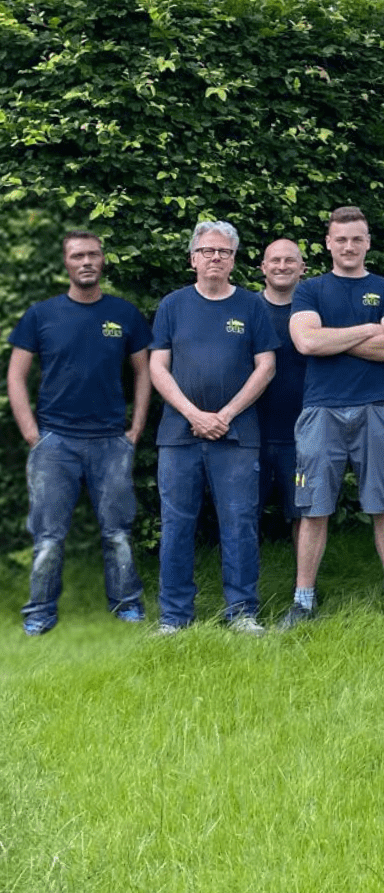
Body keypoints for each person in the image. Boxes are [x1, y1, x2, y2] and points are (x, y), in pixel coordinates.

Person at [7, 230, 152, 635]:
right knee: (48, 537)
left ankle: (126, 604)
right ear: (66, 263)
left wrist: (135, 428)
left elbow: (144, 373)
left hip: (111, 441)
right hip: (55, 442)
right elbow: (16, 376)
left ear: (102, 260)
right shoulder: (41, 315)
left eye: (92, 254)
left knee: (118, 534)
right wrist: (32, 434)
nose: (86, 262)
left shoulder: (124, 314)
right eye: (77, 256)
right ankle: (39, 612)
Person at [281, 206, 384, 628]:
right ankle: (303, 600)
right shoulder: (310, 290)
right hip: (321, 409)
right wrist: (368, 329)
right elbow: (305, 343)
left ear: (368, 243)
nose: (349, 246)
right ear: (328, 243)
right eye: (341, 239)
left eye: (357, 239)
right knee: (313, 507)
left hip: (378, 407)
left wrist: (331, 339)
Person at [149, 221, 278, 635]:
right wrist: (194, 414)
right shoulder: (172, 305)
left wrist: (225, 414)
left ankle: (242, 612)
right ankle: (174, 616)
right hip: (178, 434)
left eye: (224, 252)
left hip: (237, 435)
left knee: (239, 523)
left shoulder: (252, 306)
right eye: (207, 251)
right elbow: (157, 367)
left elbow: (266, 366)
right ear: (193, 259)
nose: (215, 258)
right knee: (176, 525)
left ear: (234, 260)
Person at [257, 239, 307, 542]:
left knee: (304, 513)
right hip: (251, 433)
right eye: (275, 260)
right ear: (263, 267)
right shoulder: (248, 309)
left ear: (302, 268)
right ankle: (243, 572)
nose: (282, 266)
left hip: (303, 434)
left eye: (290, 260)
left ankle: (305, 573)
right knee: (245, 512)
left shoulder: (314, 310)